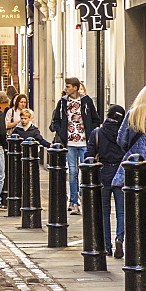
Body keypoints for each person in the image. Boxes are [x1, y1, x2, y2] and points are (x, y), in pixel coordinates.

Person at [112, 84, 146, 275]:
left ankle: (137, 255)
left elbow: (122, 140)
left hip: (135, 174)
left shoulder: (133, 114)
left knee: (135, 218)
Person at [49, 77, 102, 215]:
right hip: (70, 143)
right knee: (72, 172)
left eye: (68, 86)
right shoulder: (63, 102)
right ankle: (74, 202)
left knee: (85, 172)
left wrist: (91, 131)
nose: (66, 89)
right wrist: (61, 132)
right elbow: (56, 120)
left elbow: (96, 119)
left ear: (75, 88)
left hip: (85, 143)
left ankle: (85, 199)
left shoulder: (86, 101)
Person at [86, 105, 127, 259]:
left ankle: (106, 246)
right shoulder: (124, 134)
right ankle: (119, 239)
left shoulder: (97, 133)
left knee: (104, 211)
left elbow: (89, 156)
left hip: (103, 173)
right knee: (121, 211)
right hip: (121, 172)